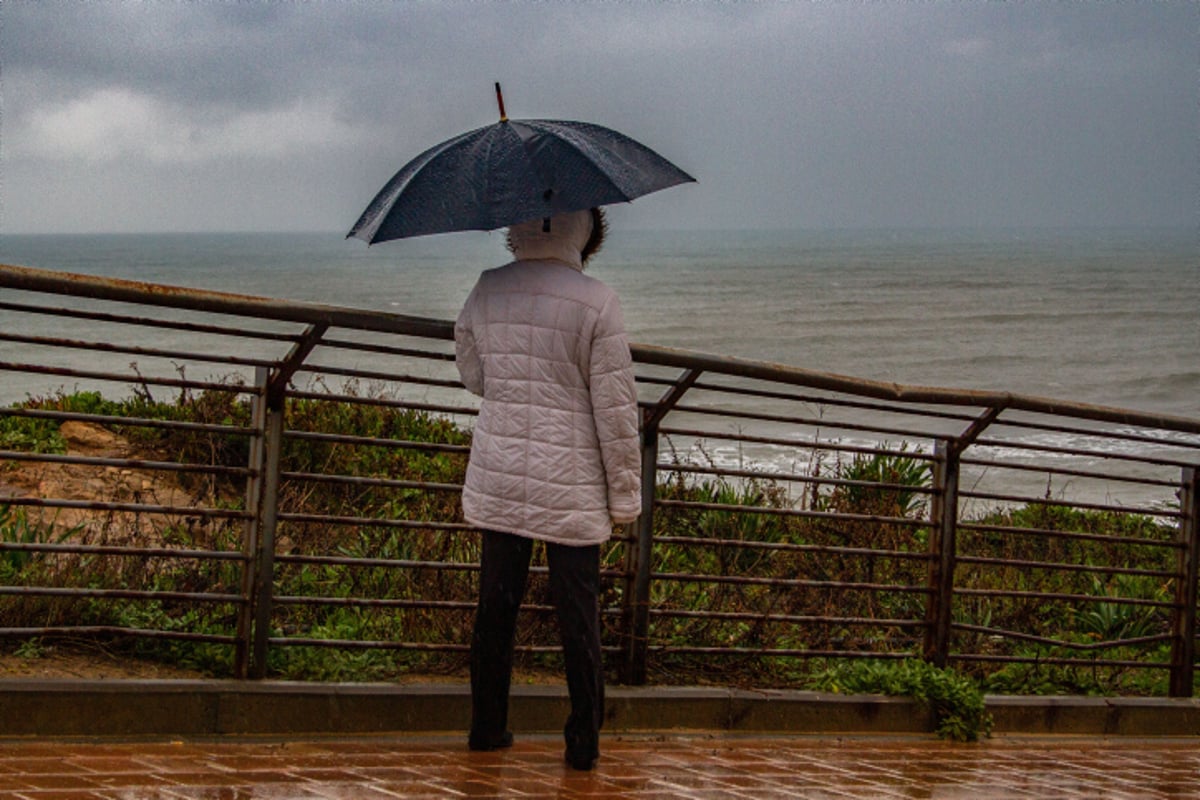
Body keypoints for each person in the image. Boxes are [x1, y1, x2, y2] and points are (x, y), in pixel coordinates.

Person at [454, 207, 642, 771]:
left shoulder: (487, 288)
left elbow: (474, 373)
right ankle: (582, 743)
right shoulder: (598, 302)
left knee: (496, 610)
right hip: (573, 486)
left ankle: (487, 729)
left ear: (520, 226)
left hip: (503, 473)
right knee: (577, 619)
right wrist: (625, 497)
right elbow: (615, 410)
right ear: (582, 231)